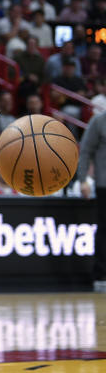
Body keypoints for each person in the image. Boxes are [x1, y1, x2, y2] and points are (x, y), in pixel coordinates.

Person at [77, 110, 106, 291]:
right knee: (104, 229)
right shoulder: (99, 121)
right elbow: (86, 150)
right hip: (105, 184)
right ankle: (101, 275)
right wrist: (83, 180)